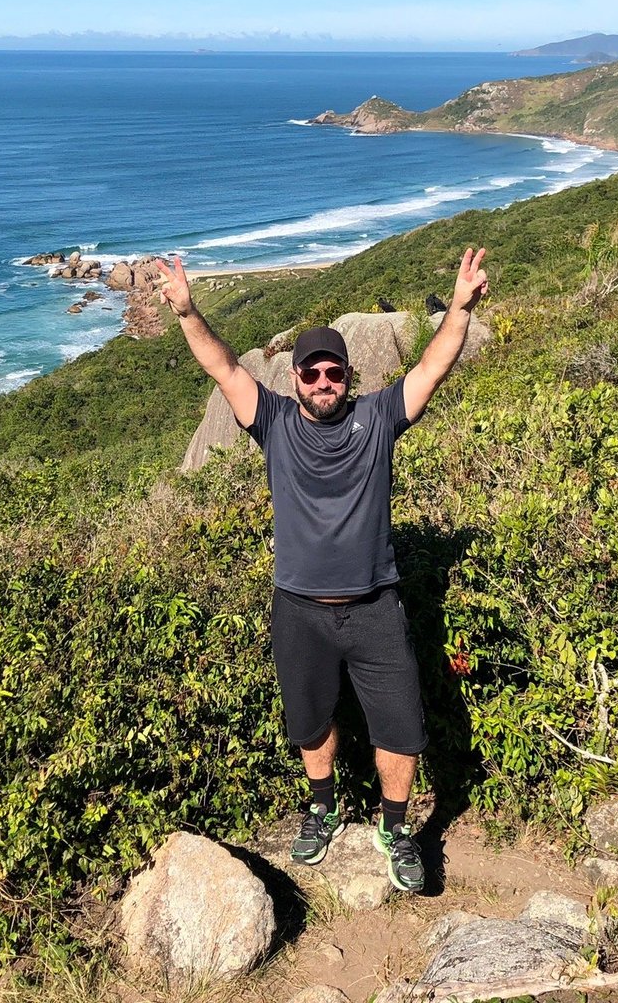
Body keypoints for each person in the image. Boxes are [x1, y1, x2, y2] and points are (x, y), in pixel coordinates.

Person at [156, 249, 489, 892]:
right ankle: (322, 806)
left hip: (374, 607)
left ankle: (397, 829)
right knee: (310, 720)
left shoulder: (377, 417)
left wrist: (459, 309)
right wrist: (188, 310)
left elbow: (431, 368)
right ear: (296, 378)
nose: (322, 381)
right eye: (311, 372)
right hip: (299, 609)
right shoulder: (275, 421)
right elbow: (223, 366)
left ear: (348, 375)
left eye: (333, 371)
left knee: (401, 728)